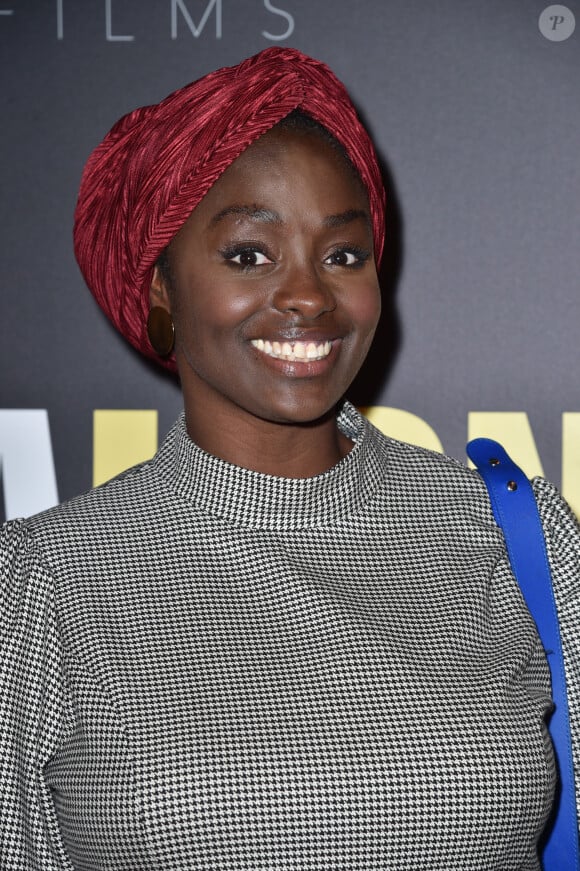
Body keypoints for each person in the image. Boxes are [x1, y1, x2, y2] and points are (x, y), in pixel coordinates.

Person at [1, 46, 579, 871]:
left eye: (343, 254)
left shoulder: (509, 531)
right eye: (248, 254)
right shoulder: (42, 584)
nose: (309, 294)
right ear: (160, 287)